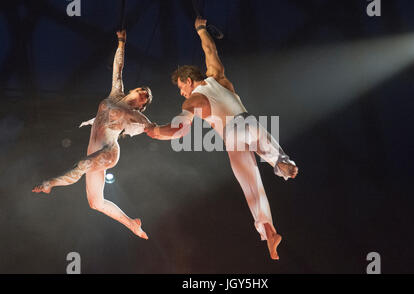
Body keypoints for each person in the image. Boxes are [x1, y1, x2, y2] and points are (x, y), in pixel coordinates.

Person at [145, 18, 299, 259]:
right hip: (248, 123)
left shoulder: (193, 100)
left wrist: (154, 131)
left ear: (188, 80)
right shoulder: (217, 77)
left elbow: (178, 131)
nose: (181, 92)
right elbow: (210, 49)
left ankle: (267, 227)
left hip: (232, 137)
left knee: (251, 186)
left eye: (180, 87)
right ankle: (280, 166)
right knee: (264, 145)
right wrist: (201, 29)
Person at [32, 30, 153, 240]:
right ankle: (132, 224)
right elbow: (118, 68)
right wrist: (122, 42)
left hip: (108, 151)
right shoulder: (116, 93)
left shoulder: (133, 115)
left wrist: (168, 129)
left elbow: (151, 127)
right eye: (142, 92)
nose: (141, 97)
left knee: (82, 165)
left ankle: (50, 183)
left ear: (141, 106)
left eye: (144, 100)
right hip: (93, 148)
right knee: (95, 203)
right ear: (133, 90)